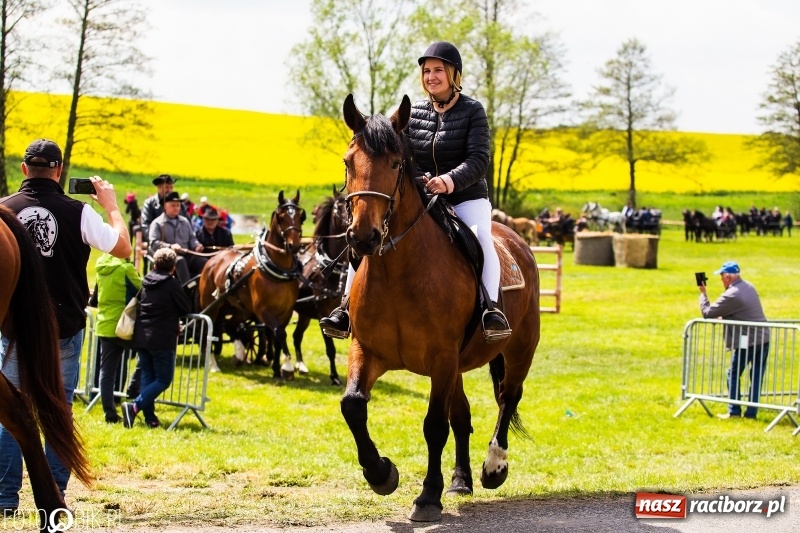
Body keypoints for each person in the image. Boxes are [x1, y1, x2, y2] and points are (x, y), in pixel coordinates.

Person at [321, 41, 511, 343]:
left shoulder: (474, 111)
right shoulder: (413, 113)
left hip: (466, 198)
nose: (431, 76)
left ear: (453, 75)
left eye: (438, 70)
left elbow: (479, 159)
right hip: (424, 199)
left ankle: (490, 309)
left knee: (482, 239)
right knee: (365, 236)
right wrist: (420, 179)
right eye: (426, 71)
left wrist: (448, 181)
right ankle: (344, 309)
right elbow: (401, 159)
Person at [0, 138, 131, 509]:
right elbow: (122, 248)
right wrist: (111, 207)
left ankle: (4, 496)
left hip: (12, 330)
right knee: (59, 408)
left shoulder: (2, 210)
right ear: (59, 172)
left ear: (25, 170)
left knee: (8, 411)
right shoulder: (79, 212)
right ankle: (54, 493)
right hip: (64, 325)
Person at [122, 248, 191, 429]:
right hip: (161, 339)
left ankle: (150, 418)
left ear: (154, 264)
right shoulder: (172, 284)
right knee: (163, 379)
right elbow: (185, 307)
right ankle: (134, 407)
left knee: (148, 376)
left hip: (142, 338)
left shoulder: (145, 281)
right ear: (173, 268)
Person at [698, 260, 770, 420]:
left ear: (729, 277)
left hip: (747, 339)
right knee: (756, 376)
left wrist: (703, 294)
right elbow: (743, 310)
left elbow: (707, 312)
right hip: (764, 337)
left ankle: (734, 411)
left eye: (722, 276)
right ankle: (751, 414)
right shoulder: (749, 286)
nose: (721, 279)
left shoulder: (732, 293)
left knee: (733, 373)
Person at [92, 252, 142, 423]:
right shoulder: (126, 269)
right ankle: (134, 393)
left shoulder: (100, 269)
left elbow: (94, 300)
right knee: (146, 359)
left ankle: (110, 413)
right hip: (126, 326)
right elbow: (142, 290)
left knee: (106, 373)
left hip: (105, 326)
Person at [148, 191, 204, 285]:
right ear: (165, 206)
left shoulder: (185, 221)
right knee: (180, 261)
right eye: (173, 205)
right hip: (168, 258)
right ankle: (187, 288)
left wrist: (196, 245)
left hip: (187, 254)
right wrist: (170, 247)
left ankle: (203, 288)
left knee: (203, 261)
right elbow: (154, 243)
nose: (176, 208)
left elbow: (192, 238)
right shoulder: (157, 223)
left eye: (178, 205)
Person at [194, 208, 234, 272]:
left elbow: (232, 249)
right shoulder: (197, 234)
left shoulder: (226, 233)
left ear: (217, 220)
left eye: (213, 220)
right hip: (204, 265)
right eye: (207, 219)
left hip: (223, 262)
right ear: (203, 220)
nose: (210, 222)